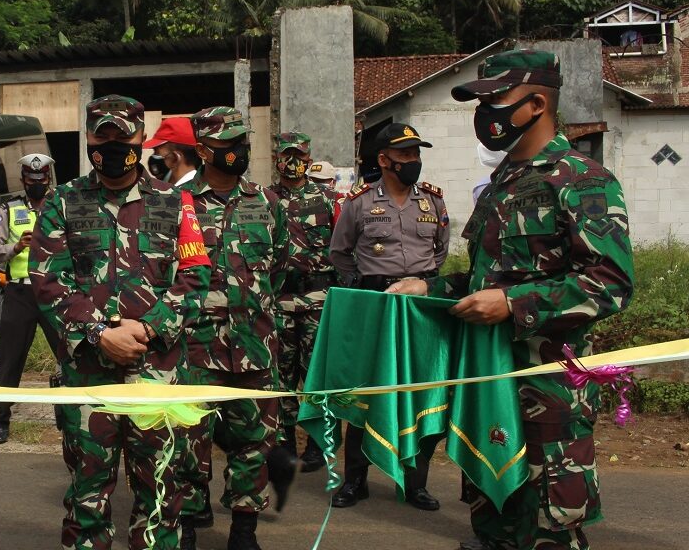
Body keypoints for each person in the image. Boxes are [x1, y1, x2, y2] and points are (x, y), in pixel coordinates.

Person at [390, 49, 635, 550]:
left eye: (494, 100)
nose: (484, 114)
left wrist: (513, 304)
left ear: (537, 104)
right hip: (488, 383)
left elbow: (609, 282)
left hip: (547, 392)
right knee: (494, 519)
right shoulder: (500, 185)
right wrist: (429, 287)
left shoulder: (581, 179)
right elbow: (486, 279)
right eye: (480, 104)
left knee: (547, 529)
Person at [29, 94, 210, 550]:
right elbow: (47, 280)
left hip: (157, 373)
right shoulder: (63, 201)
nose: (111, 145)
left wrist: (148, 328)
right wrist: (98, 333)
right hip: (89, 375)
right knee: (87, 497)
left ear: (141, 137)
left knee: (161, 494)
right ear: (88, 139)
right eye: (101, 136)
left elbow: (196, 277)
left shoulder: (175, 202)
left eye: (122, 135)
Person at [178, 107, 295, 550]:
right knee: (190, 443)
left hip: (255, 347)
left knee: (254, 445)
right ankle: (188, 525)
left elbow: (277, 269)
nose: (239, 151)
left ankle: (244, 531)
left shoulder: (267, 202)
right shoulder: (177, 203)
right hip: (195, 350)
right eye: (228, 144)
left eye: (242, 142)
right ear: (204, 150)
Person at [328, 122, 448, 511]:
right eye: (405, 154)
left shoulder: (432, 201)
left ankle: (415, 484)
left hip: (420, 309)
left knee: (420, 390)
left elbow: (441, 250)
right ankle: (355, 480)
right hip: (375, 306)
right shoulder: (359, 202)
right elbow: (339, 253)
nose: (413, 160)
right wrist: (366, 285)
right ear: (384, 160)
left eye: (416, 153)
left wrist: (421, 281)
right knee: (366, 391)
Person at [267, 132, 336, 474]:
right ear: (277, 159)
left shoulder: (327, 200)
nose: (292, 162)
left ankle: (317, 444)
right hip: (279, 300)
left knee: (316, 375)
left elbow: (345, 248)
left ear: (309, 159)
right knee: (280, 376)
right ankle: (284, 444)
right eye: (286, 156)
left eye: (299, 156)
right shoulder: (263, 199)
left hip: (318, 300)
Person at [0, 152, 60, 444]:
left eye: (41, 179)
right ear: (23, 180)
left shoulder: (59, 205)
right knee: (9, 360)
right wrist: (15, 247)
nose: (37, 184)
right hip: (20, 291)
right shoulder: (9, 209)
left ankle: (69, 415)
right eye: (31, 179)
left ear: (48, 179)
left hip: (53, 291)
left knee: (68, 356)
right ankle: (1, 419)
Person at [143, 116, 200, 186]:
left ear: (175, 158)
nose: (153, 157)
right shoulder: (200, 185)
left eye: (157, 152)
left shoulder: (185, 191)